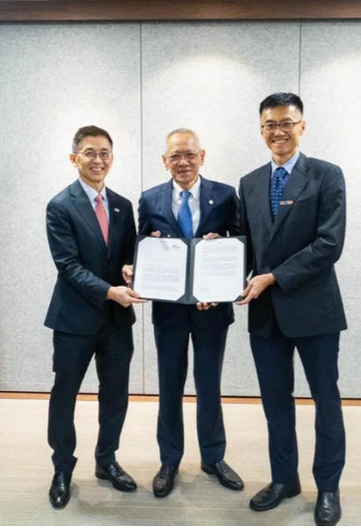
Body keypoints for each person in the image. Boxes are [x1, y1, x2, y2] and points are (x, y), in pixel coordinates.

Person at [237, 93, 347, 526]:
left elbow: (329, 244)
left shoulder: (326, 175)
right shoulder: (248, 182)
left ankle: (328, 487)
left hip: (314, 308)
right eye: (269, 124)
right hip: (265, 313)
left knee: (326, 400)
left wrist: (274, 277)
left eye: (286, 123)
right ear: (260, 129)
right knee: (275, 402)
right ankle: (284, 479)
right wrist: (217, 264)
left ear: (302, 126)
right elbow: (245, 245)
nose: (278, 131)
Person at [136, 128, 243, 498]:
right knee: (169, 386)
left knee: (209, 384)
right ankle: (169, 460)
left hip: (212, 311)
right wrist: (146, 255)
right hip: (169, 312)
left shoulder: (226, 195)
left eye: (190, 155)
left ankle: (213, 457)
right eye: (175, 156)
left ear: (202, 156)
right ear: (164, 161)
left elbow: (243, 248)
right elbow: (139, 246)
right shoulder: (150, 199)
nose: (183, 162)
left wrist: (222, 267)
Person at [44, 125, 144, 510]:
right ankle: (62, 467)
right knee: (64, 395)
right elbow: (67, 265)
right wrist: (109, 290)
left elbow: (127, 255)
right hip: (74, 320)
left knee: (115, 394)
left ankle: (107, 461)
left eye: (104, 153)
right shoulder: (60, 205)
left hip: (117, 320)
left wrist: (132, 271)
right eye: (89, 152)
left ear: (112, 158)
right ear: (74, 158)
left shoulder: (122, 204)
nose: (98, 159)